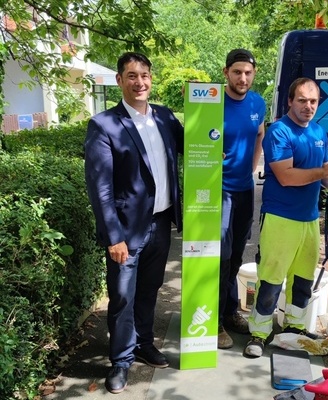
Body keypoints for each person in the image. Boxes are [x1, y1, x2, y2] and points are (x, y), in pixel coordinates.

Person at [84, 52, 183, 394]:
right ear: (119, 80)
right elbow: (100, 187)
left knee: (149, 290)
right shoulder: (104, 125)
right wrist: (114, 236)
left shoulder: (167, 118)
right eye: (131, 76)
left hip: (161, 224)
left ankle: (143, 343)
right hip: (126, 231)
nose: (139, 82)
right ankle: (121, 361)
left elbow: (201, 145)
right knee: (123, 296)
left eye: (144, 75)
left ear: (151, 78)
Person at [244, 77, 328, 358]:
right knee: (271, 281)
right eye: (302, 100)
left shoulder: (319, 131)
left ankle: (294, 328)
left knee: (303, 281)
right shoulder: (280, 132)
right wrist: (324, 172)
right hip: (280, 217)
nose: (308, 106)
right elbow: (285, 176)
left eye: (313, 101)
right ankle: (259, 333)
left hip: (309, 219)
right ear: (290, 101)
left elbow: (324, 173)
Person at [217, 48, 266, 349]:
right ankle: (214, 323)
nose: (242, 77)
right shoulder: (211, 102)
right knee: (220, 258)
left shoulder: (258, 103)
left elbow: (259, 134)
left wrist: (252, 167)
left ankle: (230, 310)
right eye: (237, 72)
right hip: (217, 190)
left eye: (247, 72)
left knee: (236, 254)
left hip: (244, 190)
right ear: (226, 73)